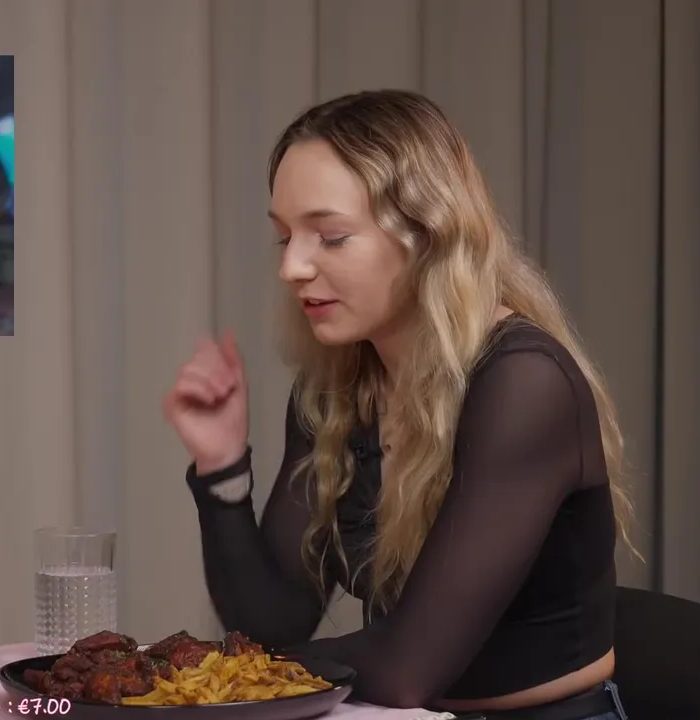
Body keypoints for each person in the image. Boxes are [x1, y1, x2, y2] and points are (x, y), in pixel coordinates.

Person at [164, 90, 635, 719]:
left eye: (331, 237)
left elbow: (407, 667)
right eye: (284, 238)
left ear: (428, 234)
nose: (292, 268)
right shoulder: (336, 390)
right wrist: (222, 471)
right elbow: (275, 621)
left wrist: (210, 678)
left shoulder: (525, 383)